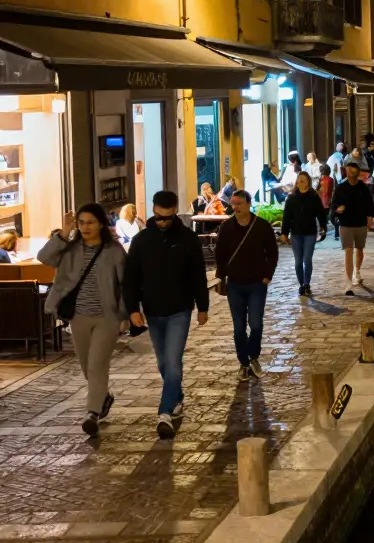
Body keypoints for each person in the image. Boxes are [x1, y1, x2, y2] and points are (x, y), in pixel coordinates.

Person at [122, 190, 208, 438]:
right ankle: (177, 396)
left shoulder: (188, 239)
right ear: (153, 211)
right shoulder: (141, 241)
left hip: (180, 309)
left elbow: (198, 275)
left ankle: (164, 412)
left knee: (172, 360)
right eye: (159, 217)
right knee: (164, 363)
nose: (162, 223)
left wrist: (202, 307)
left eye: (167, 218)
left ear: (175, 213)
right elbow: (130, 279)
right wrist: (132, 309)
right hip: (152, 310)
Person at [39, 203, 127, 437]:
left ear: (101, 224)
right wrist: (63, 232)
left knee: (98, 364)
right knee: (88, 366)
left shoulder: (114, 251)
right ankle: (103, 397)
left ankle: (92, 413)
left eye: (90, 222)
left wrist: (126, 314)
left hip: (107, 317)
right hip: (77, 317)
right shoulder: (69, 249)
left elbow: (125, 285)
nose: (85, 227)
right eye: (81, 222)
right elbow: (44, 257)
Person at [215, 190, 278, 380]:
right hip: (235, 284)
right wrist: (222, 278)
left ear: (249, 204)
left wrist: (267, 276)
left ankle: (254, 355)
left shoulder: (261, 226)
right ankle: (243, 362)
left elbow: (272, 253)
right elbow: (220, 254)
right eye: (233, 204)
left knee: (256, 324)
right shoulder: (226, 227)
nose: (235, 207)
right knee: (238, 327)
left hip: (257, 283)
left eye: (239, 203)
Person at [330, 161, 374, 295]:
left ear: (357, 172)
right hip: (345, 223)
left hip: (360, 222)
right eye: (348, 170)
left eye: (353, 170)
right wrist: (336, 211)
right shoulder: (340, 188)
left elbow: (369, 204)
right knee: (348, 251)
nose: (350, 172)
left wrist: (370, 218)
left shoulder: (362, 187)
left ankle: (357, 271)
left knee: (359, 250)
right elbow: (334, 204)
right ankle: (348, 281)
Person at [280, 172, 328, 296]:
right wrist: (284, 232)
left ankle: (307, 284)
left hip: (310, 232)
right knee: (298, 261)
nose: (301, 182)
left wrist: (323, 226)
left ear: (308, 182)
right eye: (299, 180)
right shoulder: (291, 197)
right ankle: (301, 284)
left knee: (307, 259)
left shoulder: (313, 196)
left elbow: (321, 213)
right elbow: (287, 216)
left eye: (303, 180)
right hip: (296, 233)